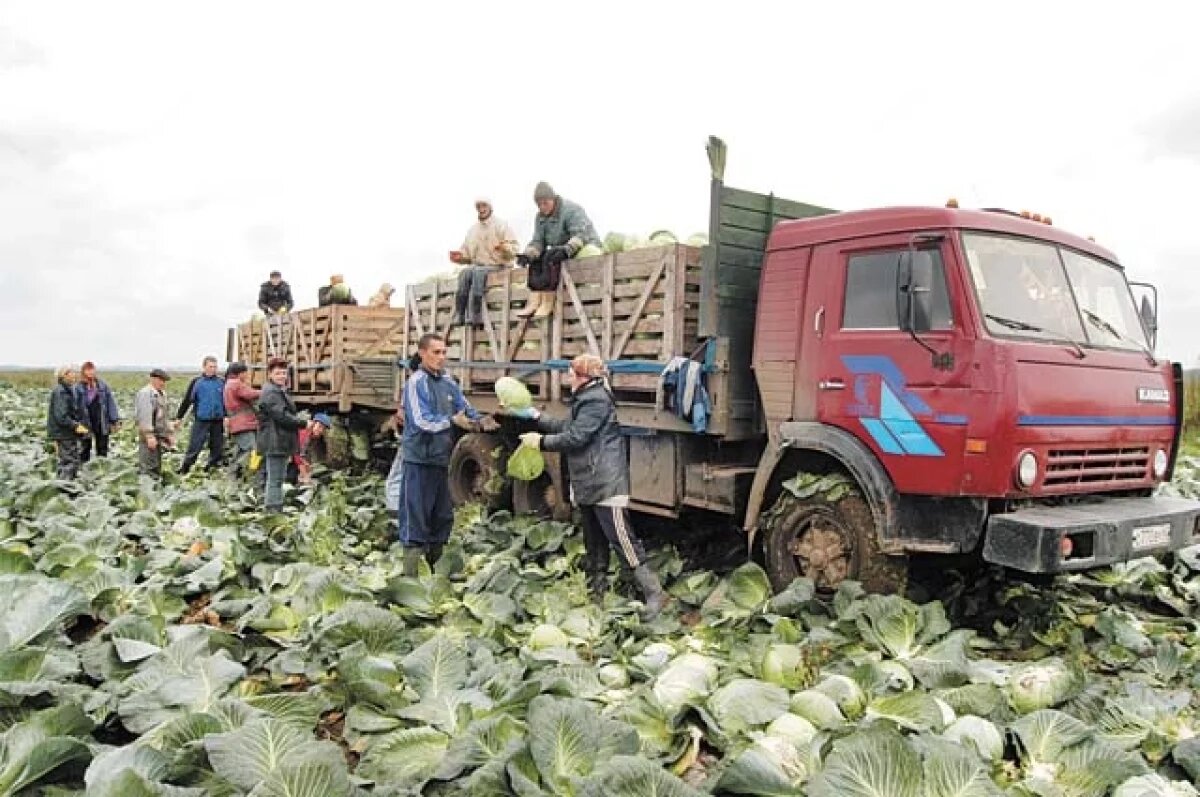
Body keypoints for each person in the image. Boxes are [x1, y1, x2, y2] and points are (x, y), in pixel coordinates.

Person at [517, 354, 667, 618]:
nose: (568, 377)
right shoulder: (585, 399)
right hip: (589, 481)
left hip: (605, 482)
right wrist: (535, 415)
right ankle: (596, 595)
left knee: (622, 539)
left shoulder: (596, 401)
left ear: (584, 377)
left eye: (572, 373)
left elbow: (576, 437)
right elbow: (567, 426)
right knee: (594, 541)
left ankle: (654, 593)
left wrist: (540, 442)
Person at [399, 333, 498, 576]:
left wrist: (482, 421)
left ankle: (435, 570)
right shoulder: (416, 383)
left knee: (442, 516)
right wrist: (451, 421)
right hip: (419, 460)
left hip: (441, 459)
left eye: (444, 352)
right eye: (436, 352)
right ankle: (412, 575)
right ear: (422, 353)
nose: (441, 357)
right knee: (416, 518)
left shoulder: (447, 381)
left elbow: (465, 408)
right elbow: (421, 421)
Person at [516, 182, 601, 319]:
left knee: (550, 257)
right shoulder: (540, 218)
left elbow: (581, 234)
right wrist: (529, 254)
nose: (543, 207)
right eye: (539, 204)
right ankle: (535, 302)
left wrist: (567, 249)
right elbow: (538, 241)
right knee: (537, 259)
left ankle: (548, 301)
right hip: (560, 250)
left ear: (553, 199)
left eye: (545, 203)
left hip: (584, 248)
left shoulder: (571, 210)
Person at [450, 198, 518, 327]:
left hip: (499, 265)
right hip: (480, 266)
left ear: (490, 207)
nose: (481, 209)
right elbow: (467, 254)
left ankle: (475, 313)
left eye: (484, 206)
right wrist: (459, 257)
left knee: (477, 272)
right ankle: (460, 313)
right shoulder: (472, 230)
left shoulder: (501, 225)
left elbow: (514, 248)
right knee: (465, 273)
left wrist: (504, 248)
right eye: (478, 207)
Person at [257, 358, 313, 512]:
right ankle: (273, 511)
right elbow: (281, 416)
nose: (282, 376)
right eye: (278, 373)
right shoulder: (271, 393)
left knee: (277, 478)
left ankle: (275, 507)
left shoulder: (276, 390)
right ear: (270, 374)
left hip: (278, 440)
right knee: (275, 479)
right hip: (274, 440)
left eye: (284, 373)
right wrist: (303, 423)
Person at [176, 356, 226, 474]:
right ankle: (185, 468)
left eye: (215, 367)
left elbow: (226, 401)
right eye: (210, 366)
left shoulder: (221, 382)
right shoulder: (196, 382)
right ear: (204, 367)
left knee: (216, 446)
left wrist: (227, 416)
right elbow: (187, 400)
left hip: (217, 420)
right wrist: (179, 417)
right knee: (195, 445)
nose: (213, 369)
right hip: (201, 419)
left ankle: (212, 469)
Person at [46, 364, 90, 480]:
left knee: (68, 461)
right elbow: (61, 417)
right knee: (70, 462)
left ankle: (65, 486)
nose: (75, 376)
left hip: (66, 433)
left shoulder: (66, 389)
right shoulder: (61, 392)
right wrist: (76, 425)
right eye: (72, 373)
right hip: (64, 433)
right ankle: (65, 489)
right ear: (64, 375)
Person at [74, 361, 121, 461]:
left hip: (101, 420)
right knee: (85, 448)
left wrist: (114, 420)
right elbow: (74, 405)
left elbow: (110, 402)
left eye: (92, 369)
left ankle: (102, 466)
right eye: (88, 370)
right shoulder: (78, 387)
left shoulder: (102, 385)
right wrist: (75, 422)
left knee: (102, 447)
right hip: (85, 421)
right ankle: (84, 470)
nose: (90, 372)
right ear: (83, 372)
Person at [223, 362, 262, 481]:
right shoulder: (236, 383)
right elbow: (249, 394)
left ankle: (232, 476)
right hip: (243, 423)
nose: (246, 375)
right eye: (245, 373)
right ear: (240, 373)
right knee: (253, 450)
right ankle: (251, 475)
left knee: (241, 451)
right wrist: (267, 391)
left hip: (238, 423)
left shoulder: (229, 383)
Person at [134, 368, 175, 478]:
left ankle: (155, 489)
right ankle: (146, 489)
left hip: (158, 435)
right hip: (149, 436)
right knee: (148, 465)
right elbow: (145, 416)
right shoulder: (146, 394)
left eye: (164, 381)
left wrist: (169, 433)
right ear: (153, 379)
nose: (163, 383)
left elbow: (165, 416)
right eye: (160, 380)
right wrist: (149, 436)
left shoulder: (161, 394)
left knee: (156, 464)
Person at [289, 412, 331, 485]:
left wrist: (305, 463)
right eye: (320, 426)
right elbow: (297, 454)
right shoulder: (304, 432)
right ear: (313, 423)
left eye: (323, 429)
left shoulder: (312, 435)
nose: (321, 430)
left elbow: (302, 454)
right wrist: (305, 476)